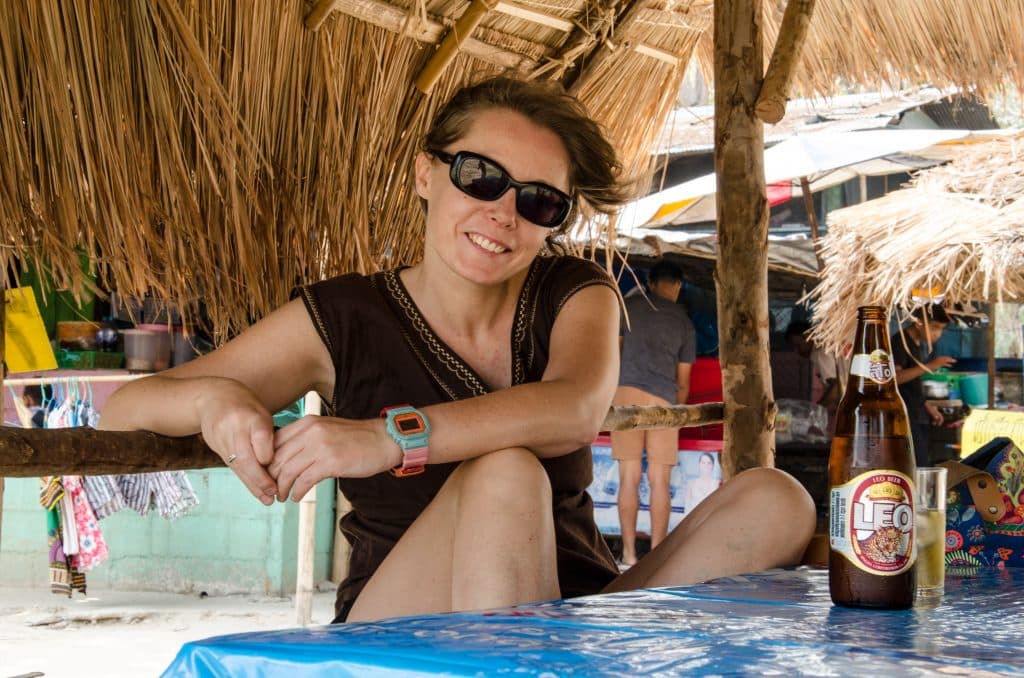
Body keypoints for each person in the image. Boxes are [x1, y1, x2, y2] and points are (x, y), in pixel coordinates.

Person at [100, 76, 815, 623]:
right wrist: (214, 396)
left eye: (539, 201)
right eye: (480, 176)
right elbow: (125, 409)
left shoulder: (574, 291)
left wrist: (388, 438)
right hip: (405, 622)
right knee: (504, 475)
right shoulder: (345, 316)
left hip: (576, 613)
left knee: (776, 500)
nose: (502, 212)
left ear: (554, 222)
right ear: (425, 175)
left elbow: (570, 408)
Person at [611, 259, 696, 567]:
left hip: (625, 396)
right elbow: (683, 381)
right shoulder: (684, 321)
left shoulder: (629, 307)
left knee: (628, 477)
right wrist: (677, 410)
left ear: (651, 283)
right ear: (677, 285)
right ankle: (657, 554)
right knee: (659, 479)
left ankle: (629, 554)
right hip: (663, 400)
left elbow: (615, 354)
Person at [891, 304, 956, 466]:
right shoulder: (901, 341)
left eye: (941, 329)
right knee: (915, 464)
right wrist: (930, 365)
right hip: (903, 415)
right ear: (919, 322)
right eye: (934, 328)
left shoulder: (919, 344)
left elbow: (913, 385)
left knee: (922, 462)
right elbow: (895, 379)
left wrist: (926, 405)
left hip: (916, 412)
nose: (937, 334)